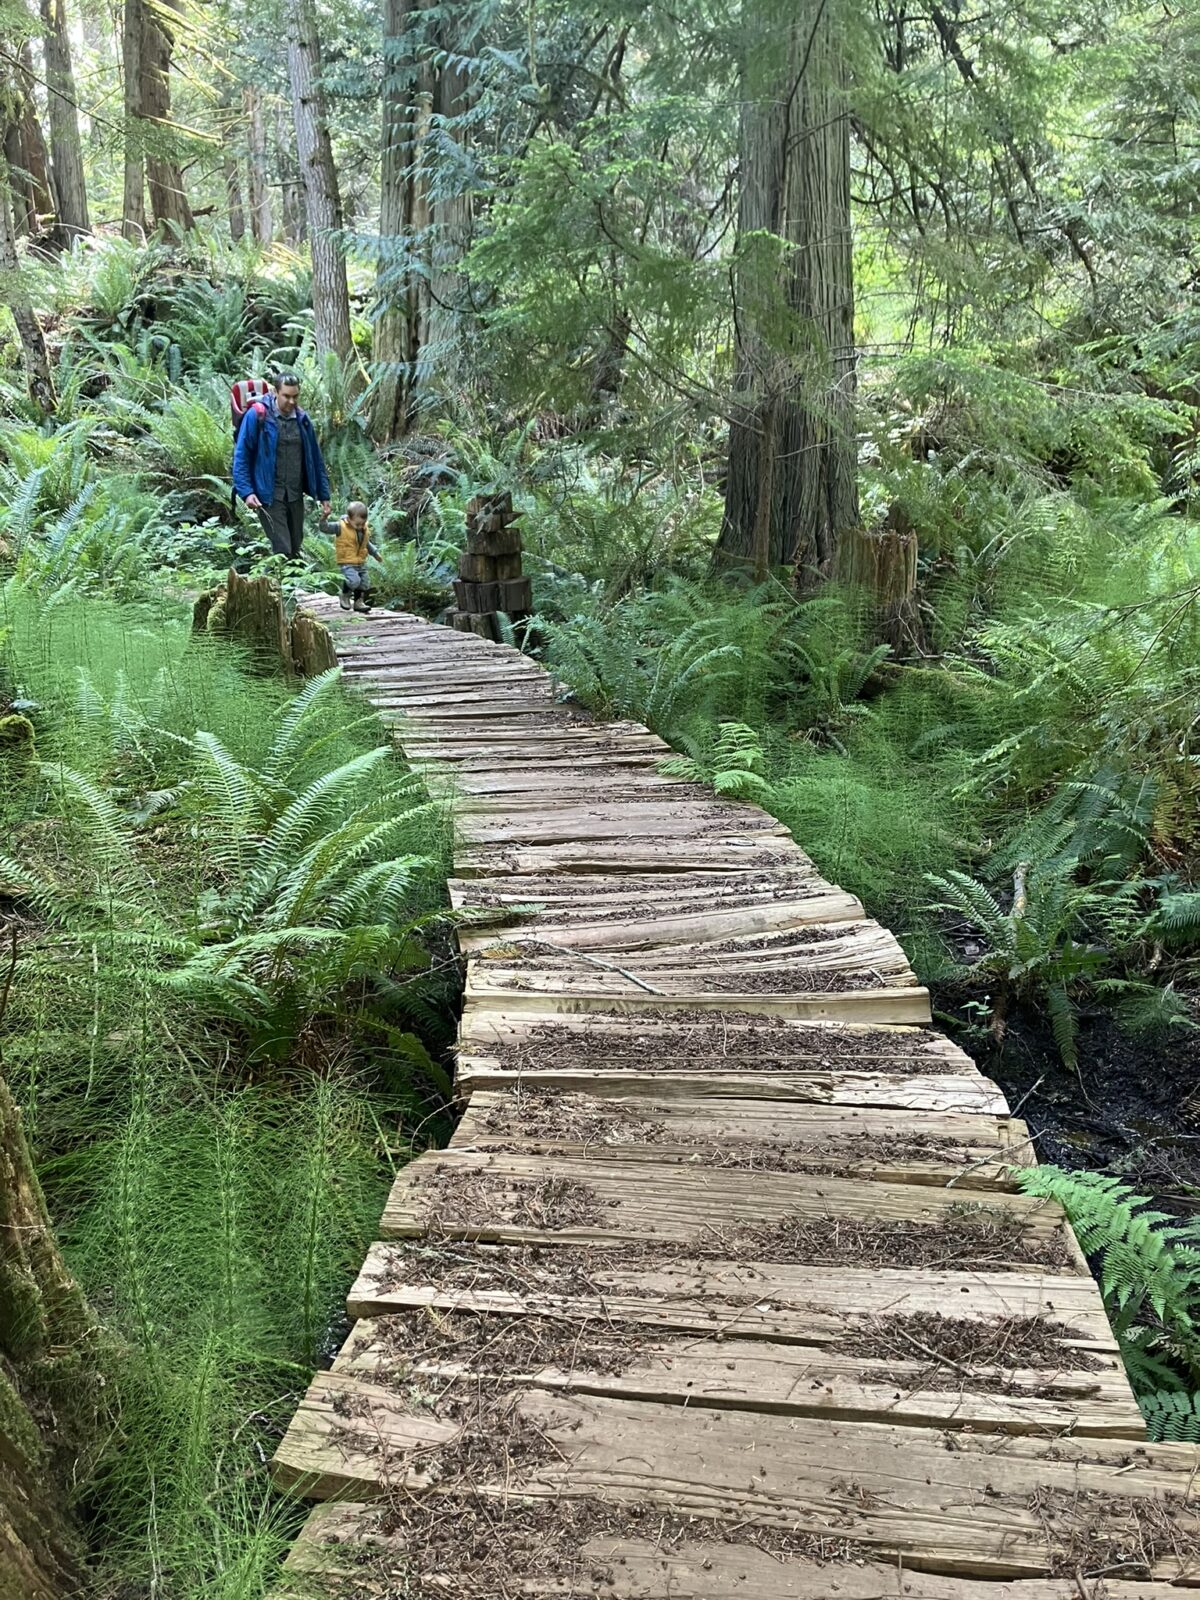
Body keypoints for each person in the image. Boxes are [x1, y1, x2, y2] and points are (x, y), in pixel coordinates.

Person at [232, 372, 331, 558]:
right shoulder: (258, 416)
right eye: (286, 396)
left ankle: (286, 585)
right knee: (283, 548)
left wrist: (324, 495)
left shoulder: (302, 419)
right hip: (268, 495)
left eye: (295, 396)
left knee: (295, 546)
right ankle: (284, 586)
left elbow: (315, 459)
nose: (291, 401)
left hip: (295, 494)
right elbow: (241, 456)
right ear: (275, 392)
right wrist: (247, 492)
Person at [321, 501, 380, 612]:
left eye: (363, 523)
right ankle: (344, 594)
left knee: (364, 583)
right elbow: (325, 528)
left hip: (361, 561)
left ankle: (358, 602)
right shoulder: (340, 526)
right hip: (347, 561)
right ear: (349, 518)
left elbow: (366, 543)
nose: (360, 527)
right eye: (357, 524)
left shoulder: (363, 529)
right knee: (354, 581)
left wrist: (375, 553)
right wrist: (324, 518)